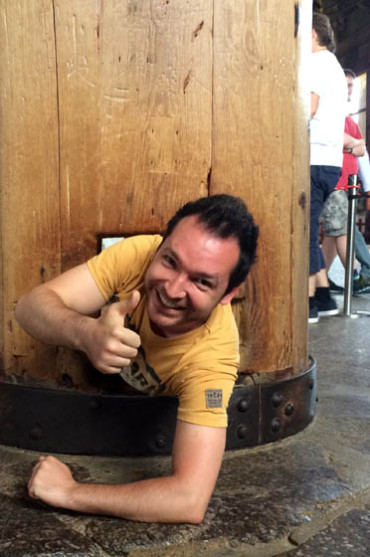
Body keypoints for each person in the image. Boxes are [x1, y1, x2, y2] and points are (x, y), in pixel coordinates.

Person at [15, 194, 258, 524]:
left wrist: (69, 492)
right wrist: (85, 333)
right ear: (159, 248)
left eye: (201, 281)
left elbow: (187, 500)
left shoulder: (213, 361)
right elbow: (29, 307)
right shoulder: (138, 254)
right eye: (170, 262)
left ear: (229, 294)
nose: (172, 290)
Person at [309, 12, 348, 324]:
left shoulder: (316, 64)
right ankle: (323, 297)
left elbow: (307, 108)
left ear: (310, 33)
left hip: (312, 156)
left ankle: (308, 303)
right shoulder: (334, 66)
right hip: (330, 160)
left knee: (304, 232)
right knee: (308, 229)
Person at [321, 69, 365, 291]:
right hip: (335, 183)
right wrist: (350, 143)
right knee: (342, 233)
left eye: (351, 86)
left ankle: (321, 280)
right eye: (346, 85)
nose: (349, 90)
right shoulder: (328, 114)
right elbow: (332, 139)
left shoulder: (349, 120)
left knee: (332, 233)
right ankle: (355, 278)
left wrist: (350, 143)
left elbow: (361, 149)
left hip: (350, 184)